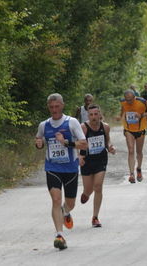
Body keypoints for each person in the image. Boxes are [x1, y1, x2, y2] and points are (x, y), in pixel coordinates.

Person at [35, 93, 87, 250]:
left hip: (70, 168)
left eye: (57, 106)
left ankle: (65, 211)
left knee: (70, 203)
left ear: (62, 105)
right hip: (52, 168)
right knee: (56, 200)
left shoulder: (71, 122)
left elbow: (84, 144)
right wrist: (38, 144)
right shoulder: (44, 125)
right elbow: (39, 141)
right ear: (48, 108)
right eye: (51, 107)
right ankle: (59, 235)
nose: (54, 110)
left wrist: (66, 142)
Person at [79, 104, 116, 227]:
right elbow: (76, 144)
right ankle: (86, 194)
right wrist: (78, 156)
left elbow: (107, 140)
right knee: (88, 190)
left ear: (100, 114)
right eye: (91, 115)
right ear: (88, 116)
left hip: (101, 159)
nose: (94, 117)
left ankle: (95, 217)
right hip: (87, 161)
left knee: (98, 186)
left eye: (96, 114)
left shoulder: (105, 127)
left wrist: (110, 146)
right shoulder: (83, 128)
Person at [118, 89, 147, 183]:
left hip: (140, 129)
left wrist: (141, 115)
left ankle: (139, 169)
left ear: (134, 97)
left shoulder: (142, 102)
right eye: (126, 99)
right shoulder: (123, 102)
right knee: (130, 150)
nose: (128, 101)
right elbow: (123, 111)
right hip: (128, 129)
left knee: (139, 151)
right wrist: (120, 117)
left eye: (130, 99)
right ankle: (131, 174)